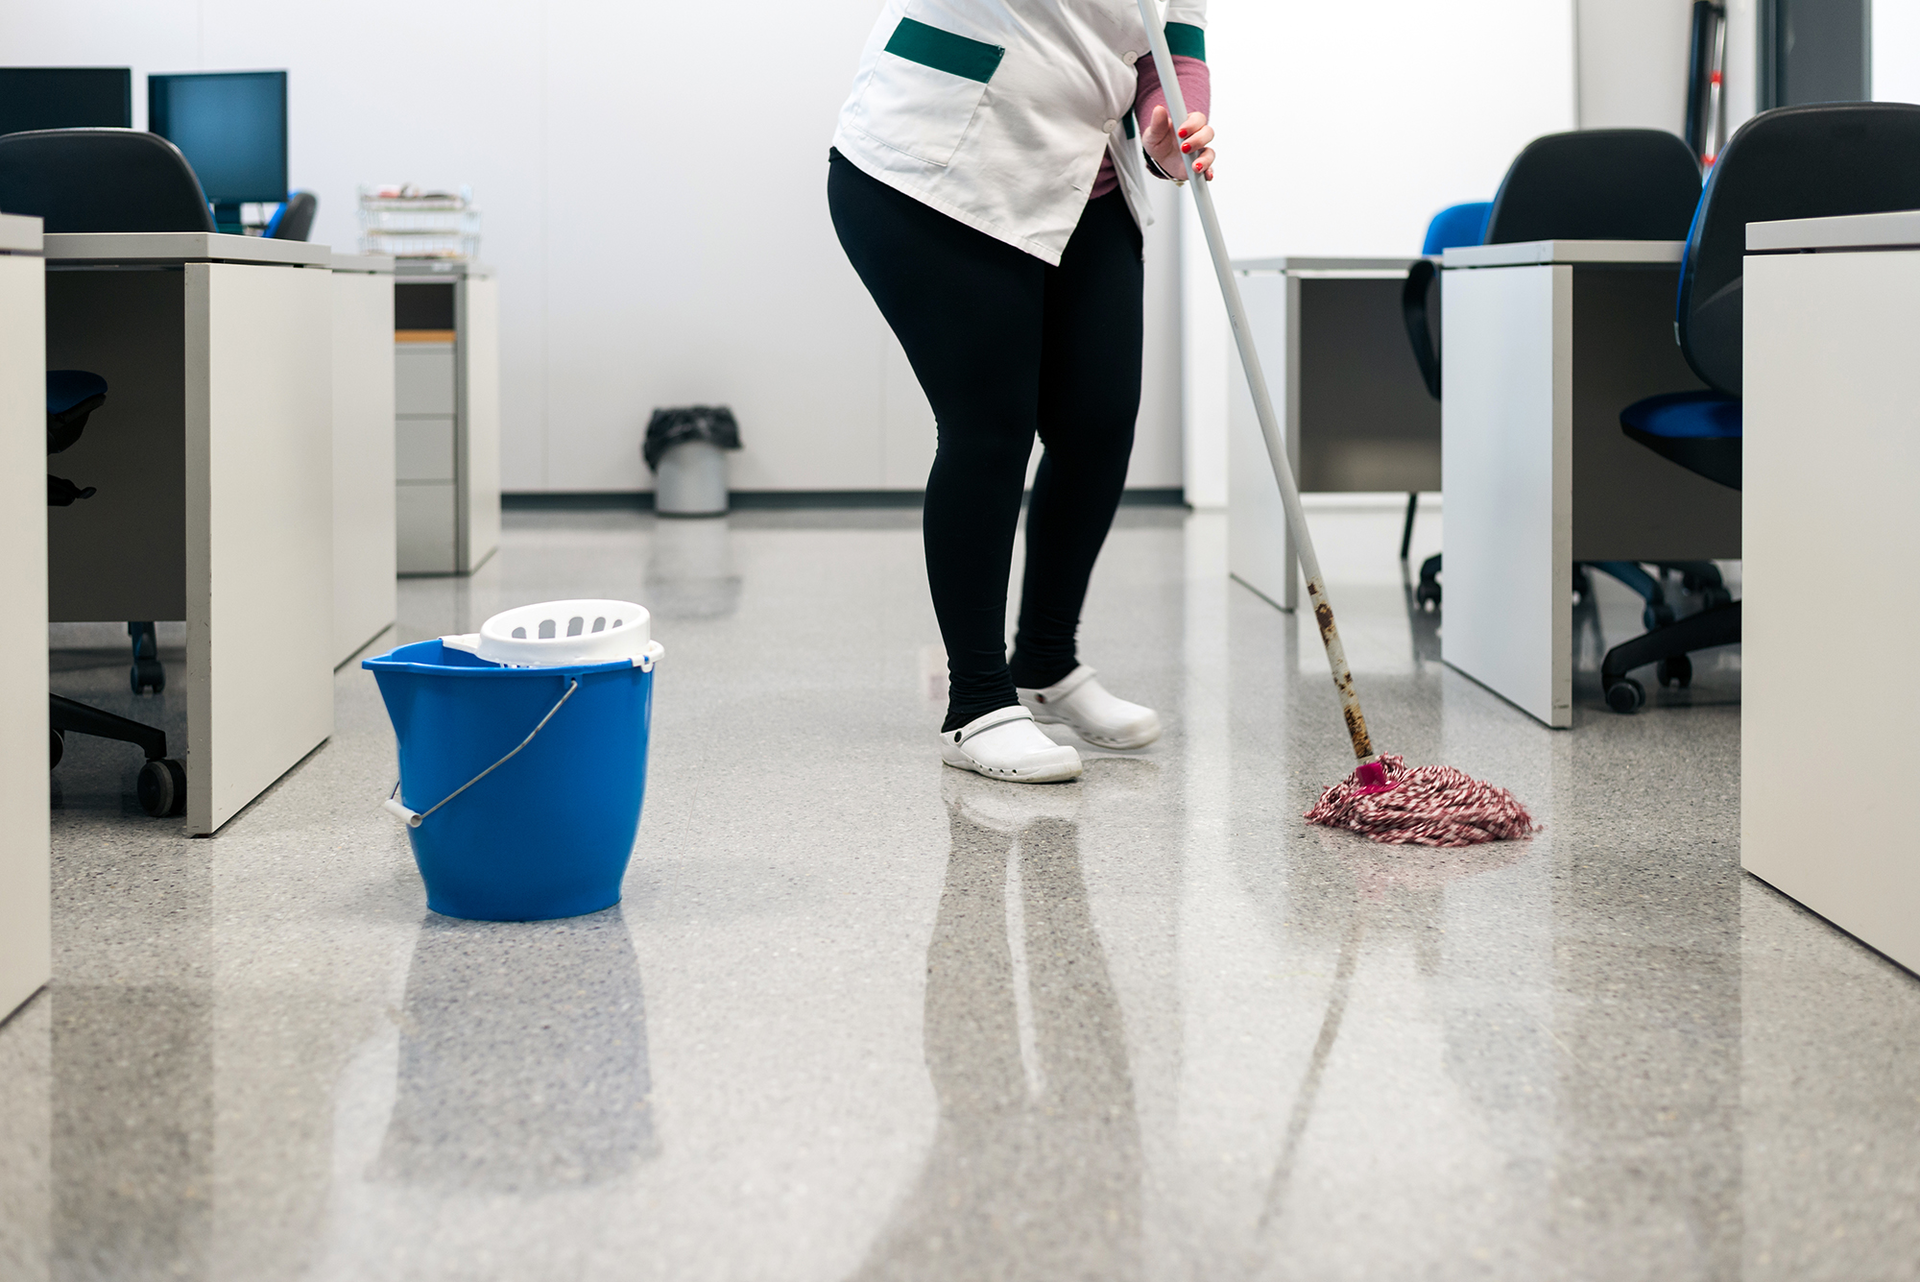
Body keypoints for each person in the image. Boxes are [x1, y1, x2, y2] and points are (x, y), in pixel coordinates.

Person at [829, 1, 1216, 784]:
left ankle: (1045, 662)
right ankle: (977, 704)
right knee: (989, 428)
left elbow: (1168, 44)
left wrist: (1171, 129)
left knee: (1098, 424)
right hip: (942, 165)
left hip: (1087, 179)